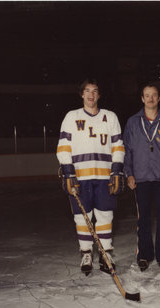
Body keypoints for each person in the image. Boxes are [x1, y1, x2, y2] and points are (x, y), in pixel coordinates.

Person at [57, 78, 125, 275]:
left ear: (99, 95)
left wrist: (117, 169)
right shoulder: (71, 116)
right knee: (82, 216)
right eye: (87, 91)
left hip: (104, 176)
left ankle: (105, 253)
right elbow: (63, 148)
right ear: (82, 94)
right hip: (80, 176)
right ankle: (86, 253)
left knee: (105, 215)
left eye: (95, 91)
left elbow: (118, 147)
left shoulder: (110, 117)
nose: (91, 95)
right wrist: (68, 172)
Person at [123, 84, 160, 272]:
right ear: (142, 98)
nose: (150, 99)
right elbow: (127, 151)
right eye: (147, 96)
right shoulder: (133, 122)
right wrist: (129, 173)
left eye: (154, 95)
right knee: (143, 219)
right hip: (140, 177)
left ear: (159, 98)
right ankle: (144, 255)